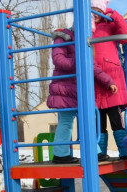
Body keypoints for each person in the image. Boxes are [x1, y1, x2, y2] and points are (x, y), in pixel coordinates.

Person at [47, 27, 117, 163]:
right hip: (64, 88)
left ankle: (93, 151)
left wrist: (108, 81)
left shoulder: (86, 42)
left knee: (88, 121)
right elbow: (58, 59)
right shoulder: (63, 37)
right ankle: (60, 154)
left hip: (80, 90)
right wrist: (79, 62)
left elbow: (93, 66)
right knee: (66, 122)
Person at [91, 0, 127, 160]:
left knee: (116, 119)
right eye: (92, 12)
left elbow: (126, 37)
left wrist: (112, 13)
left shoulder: (110, 25)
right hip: (95, 79)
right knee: (98, 120)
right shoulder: (89, 28)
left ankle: (123, 151)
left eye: (97, 11)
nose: (95, 15)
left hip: (112, 77)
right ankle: (101, 153)